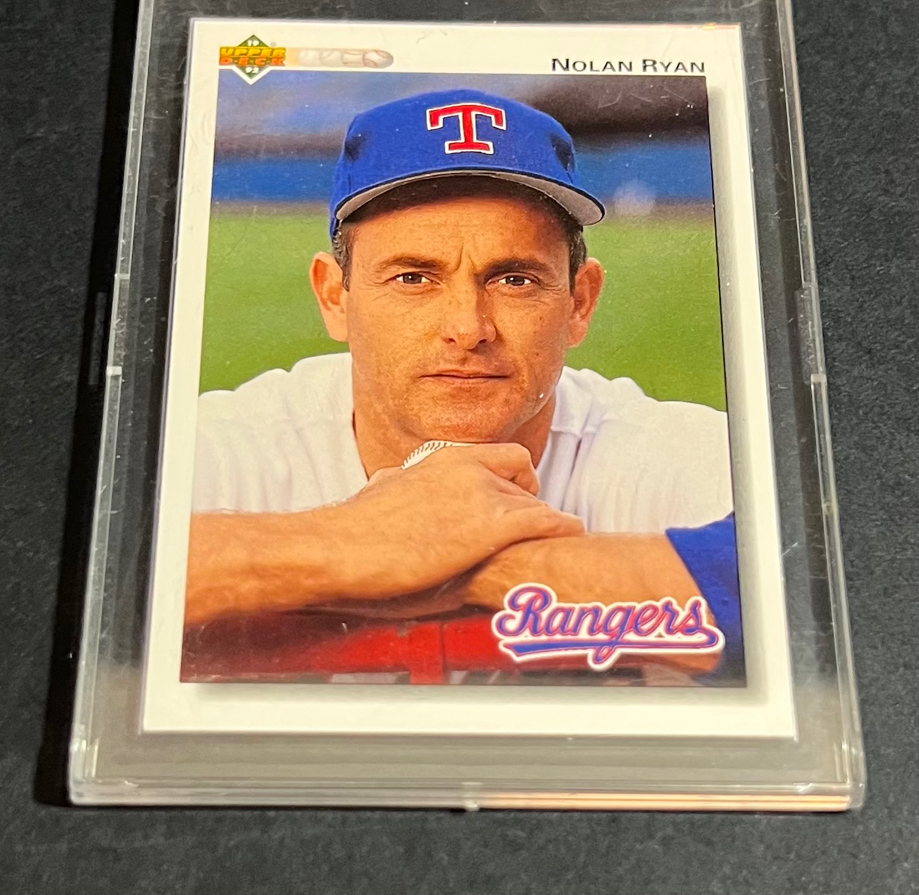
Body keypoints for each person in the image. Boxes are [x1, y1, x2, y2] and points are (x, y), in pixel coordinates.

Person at [184, 88, 737, 681]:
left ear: (579, 302)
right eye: (413, 278)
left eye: (515, 280)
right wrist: (349, 541)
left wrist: (441, 557)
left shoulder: (665, 451)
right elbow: (112, 557)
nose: (468, 328)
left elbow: (795, 584)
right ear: (334, 297)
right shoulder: (226, 444)